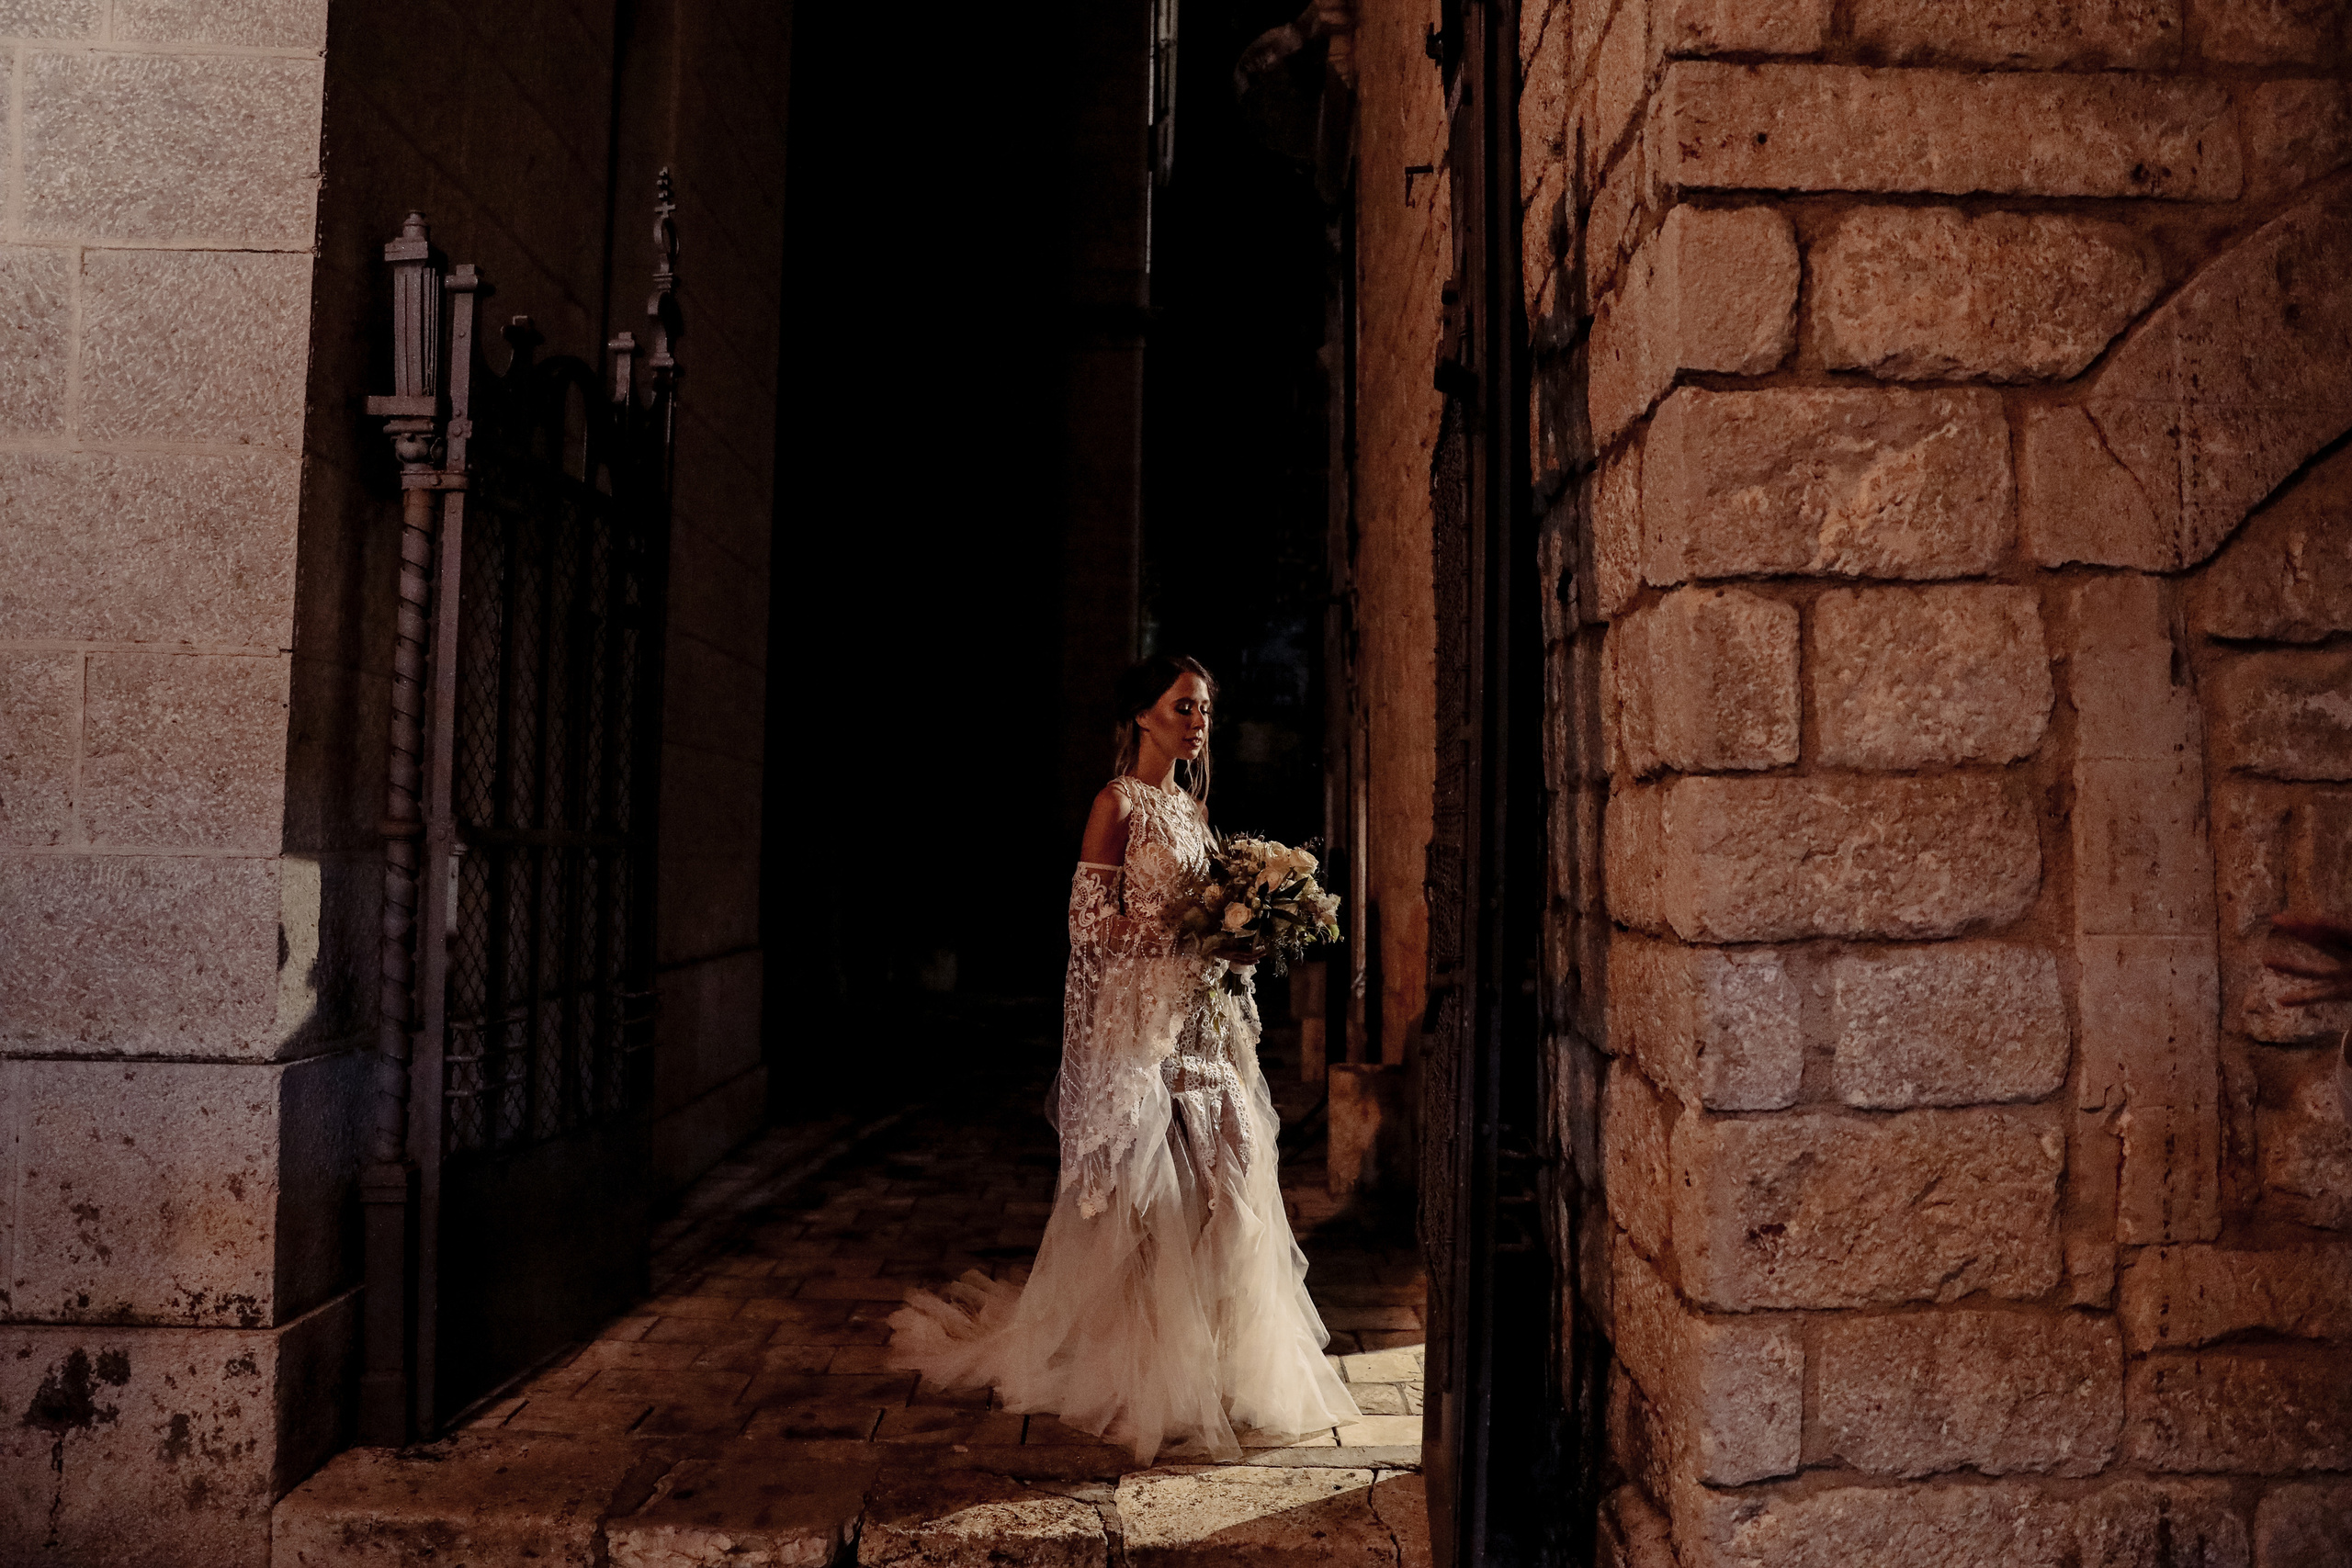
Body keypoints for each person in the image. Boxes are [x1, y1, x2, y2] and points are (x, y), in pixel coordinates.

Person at [888, 654, 1358, 1461]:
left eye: (1204, 708)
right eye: (1183, 706)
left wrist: (1239, 941)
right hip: (1139, 1027)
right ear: (1142, 715)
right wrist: (1189, 933)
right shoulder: (1119, 805)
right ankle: (1147, 1371)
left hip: (1204, 1024)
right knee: (1152, 1199)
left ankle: (1221, 1356)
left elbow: (1208, 913)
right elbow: (1089, 929)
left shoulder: (1194, 808)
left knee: (1233, 1179)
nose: (1198, 720)